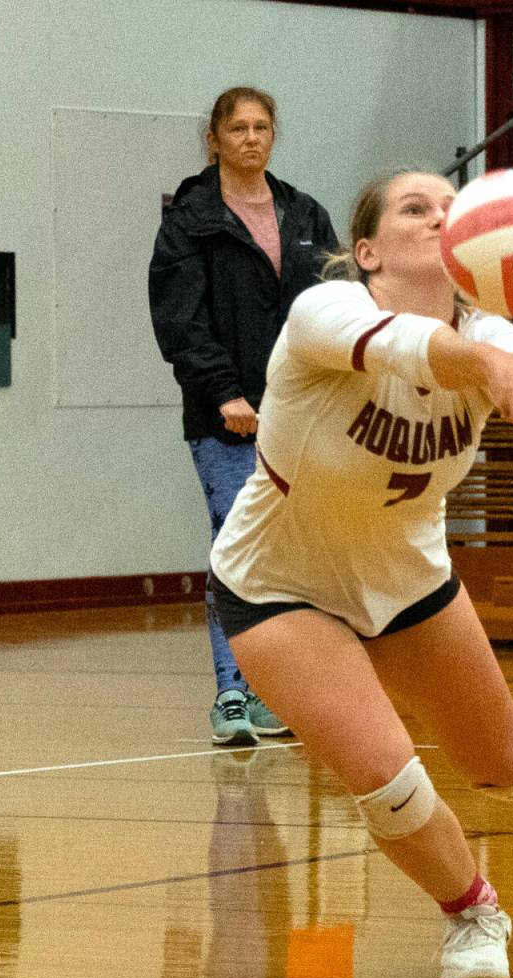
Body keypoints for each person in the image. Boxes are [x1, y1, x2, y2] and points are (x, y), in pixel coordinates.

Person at [207, 169, 513, 978]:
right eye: (416, 209)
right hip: (279, 581)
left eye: (453, 208)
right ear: (368, 250)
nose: (440, 219)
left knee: (499, 762)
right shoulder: (326, 313)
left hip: (407, 578)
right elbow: (420, 350)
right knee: (384, 776)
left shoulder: (501, 337)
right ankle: (473, 911)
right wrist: (487, 368)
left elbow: (511, 356)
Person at [149, 86, 338, 746]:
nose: (252, 138)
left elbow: (333, 306)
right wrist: (226, 391)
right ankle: (231, 691)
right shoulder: (191, 219)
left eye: (262, 127)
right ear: (216, 139)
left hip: (299, 416)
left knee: (284, 554)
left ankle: (267, 692)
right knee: (236, 546)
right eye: (239, 128)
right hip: (225, 418)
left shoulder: (304, 213)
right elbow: (180, 320)